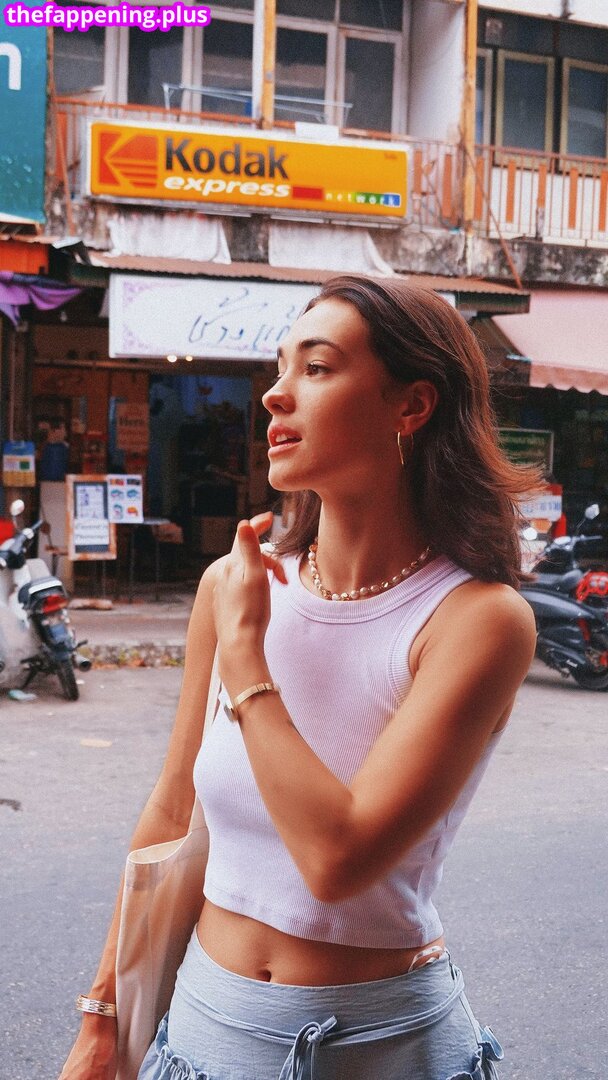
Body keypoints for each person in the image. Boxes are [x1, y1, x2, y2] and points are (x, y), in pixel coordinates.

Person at [59, 276, 537, 1080]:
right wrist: (101, 1018)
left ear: (411, 405)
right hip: (204, 1032)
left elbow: (337, 861)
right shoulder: (231, 584)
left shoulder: (477, 620)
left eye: (316, 368)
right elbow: (173, 811)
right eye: (280, 369)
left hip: (378, 1047)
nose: (275, 396)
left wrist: (248, 656)